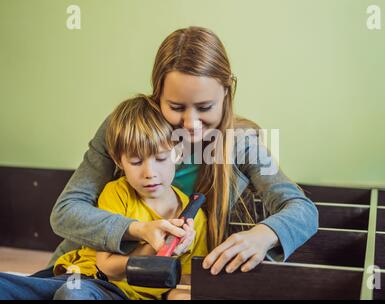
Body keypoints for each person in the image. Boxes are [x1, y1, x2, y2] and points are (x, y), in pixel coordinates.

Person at [47, 26, 318, 278]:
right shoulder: (126, 129)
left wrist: (264, 234)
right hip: (90, 273)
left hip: (173, 282)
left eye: (204, 107)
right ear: (158, 95)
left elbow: (301, 209)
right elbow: (66, 211)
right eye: (176, 107)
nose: (191, 124)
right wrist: (138, 230)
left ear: (226, 92)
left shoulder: (242, 145)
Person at [0, 95, 207, 300]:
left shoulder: (195, 219)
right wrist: (151, 246)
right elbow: (107, 267)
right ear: (118, 160)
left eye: (161, 158)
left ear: (178, 154)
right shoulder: (117, 192)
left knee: (71, 294)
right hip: (90, 280)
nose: (149, 172)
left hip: (121, 295)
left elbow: (184, 282)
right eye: (135, 162)